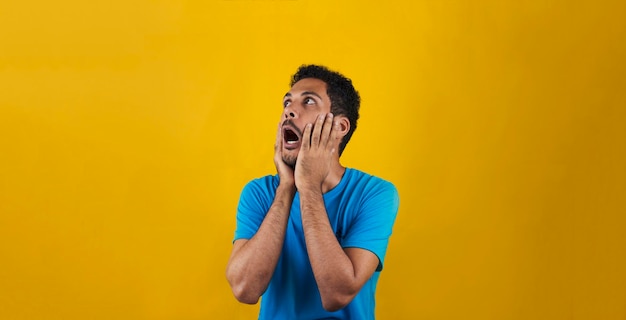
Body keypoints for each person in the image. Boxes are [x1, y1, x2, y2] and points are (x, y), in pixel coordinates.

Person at [226, 64, 399, 319]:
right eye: (287, 103)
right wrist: (286, 187)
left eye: (308, 102)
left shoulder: (374, 194)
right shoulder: (259, 193)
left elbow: (337, 295)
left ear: (339, 127)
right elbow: (244, 289)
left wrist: (308, 186)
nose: (289, 111)